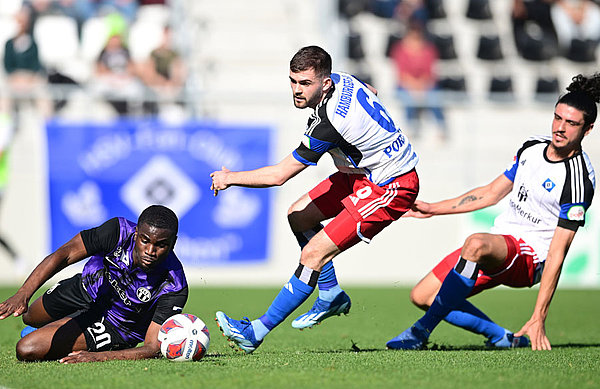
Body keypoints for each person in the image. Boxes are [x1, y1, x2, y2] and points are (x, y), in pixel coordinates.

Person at [210, 45, 419, 353]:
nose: (297, 90)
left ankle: (255, 332)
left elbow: (278, 175)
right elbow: (371, 89)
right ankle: (331, 293)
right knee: (299, 215)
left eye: (305, 84)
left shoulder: (328, 124)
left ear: (325, 83)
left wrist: (230, 178)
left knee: (312, 255)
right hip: (362, 173)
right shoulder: (343, 79)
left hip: (391, 184)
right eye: (293, 81)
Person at [386, 73, 597, 351]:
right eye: (558, 118)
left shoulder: (579, 181)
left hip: (531, 259)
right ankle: (503, 337)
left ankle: (420, 332)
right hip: (502, 244)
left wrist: (538, 316)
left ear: (587, 129)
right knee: (423, 295)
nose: (560, 128)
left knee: (475, 243)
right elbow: (491, 192)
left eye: (571, 123)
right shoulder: (532, 147)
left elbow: (558, 252)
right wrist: (433, 208)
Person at [0, 205, 188, 363]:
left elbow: (152, 347)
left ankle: (64, 329)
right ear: (136, 232)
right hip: (87, 288)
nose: (150, 251)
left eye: (161, 245)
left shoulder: (174, 284)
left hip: (116, 325)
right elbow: (65, 253)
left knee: (27, 349)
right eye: (144, 241)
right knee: (30, 317)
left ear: (173, 243)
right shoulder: (118, 231)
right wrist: (23, 293)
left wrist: (98, 356)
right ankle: (62, 325)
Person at [389, 18, 447, 140]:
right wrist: (414, 87)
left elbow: (429, 72)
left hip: (425, 85)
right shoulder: (400, 50)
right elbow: (402, 73)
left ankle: (441, 127)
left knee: (433, 95)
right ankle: (410, 126)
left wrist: (421, 86)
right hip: (406, 85)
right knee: (408, 97)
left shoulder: (428, 50)